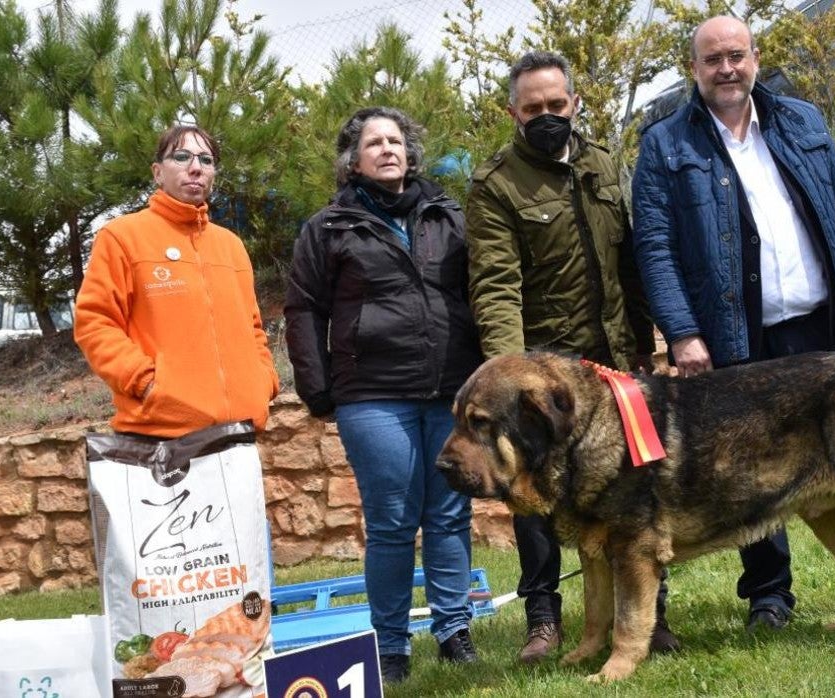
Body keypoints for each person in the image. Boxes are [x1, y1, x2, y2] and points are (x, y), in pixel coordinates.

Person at [630, 15, 835, 633]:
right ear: (695, 68)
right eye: (712, 59)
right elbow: (654, 248)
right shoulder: (665, 144)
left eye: (736, 55)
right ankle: (770, 598)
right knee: (747, 474)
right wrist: (683, 333)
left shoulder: (803, 121)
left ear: (756, 58)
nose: (726, 69)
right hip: (737, 335)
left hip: (820, 323)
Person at [465, 50, 679, 664]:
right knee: (536, 496)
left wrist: (644, 342)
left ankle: (649, 616)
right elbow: (497, 285)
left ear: (575, 103)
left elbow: (628, 264)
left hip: (613, 365)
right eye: (532, 108)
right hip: (545, 377)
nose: (546, 115)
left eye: (556, 105)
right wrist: (513, 378)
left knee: (636, 493)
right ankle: (543, 619)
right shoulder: (496, 185)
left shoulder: (603, 164)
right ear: (513, 111)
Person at [284, 107, 483, 685]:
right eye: (374, 143)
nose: (387, 150)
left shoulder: (448, 215)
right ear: (353, 159)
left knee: (449, 514)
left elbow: (479, 289)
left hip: (450, 387)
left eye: (396, 140)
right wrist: (318, 389)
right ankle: (390, 645)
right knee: (393, 522)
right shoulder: (328, 228)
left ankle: (454, 632)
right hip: (371, 395)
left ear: (411, 152)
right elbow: (303, 310)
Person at [75, 124, 279, 438]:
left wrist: (264, 381)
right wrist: (146, 384)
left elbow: (252, 327)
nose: (196, 168)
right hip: (162, 434)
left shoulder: (231, 246)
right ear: (157, 172)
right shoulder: (121, 237)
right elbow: (95, 323)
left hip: (240, 432)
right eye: (181, 157)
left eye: (206, 160)